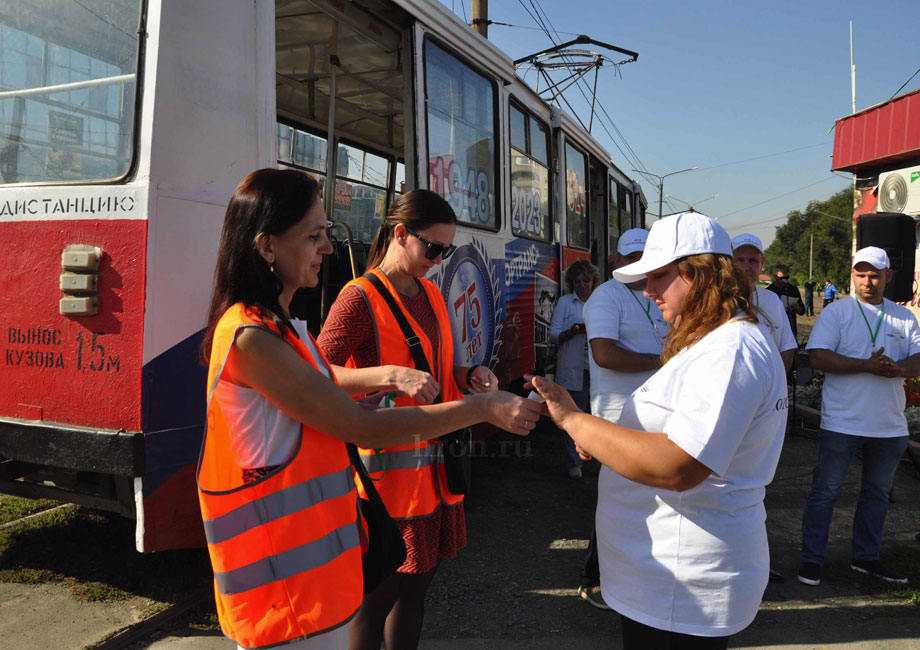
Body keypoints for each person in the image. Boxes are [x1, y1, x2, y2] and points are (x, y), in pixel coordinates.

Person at [199, 171, 541, 650]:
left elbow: (326, 395)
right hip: (285, 592)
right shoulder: (253, 337)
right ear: (267, 246)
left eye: (327, 232)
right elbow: (360, 426)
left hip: (313, 576)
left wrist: (459, 381)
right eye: (314, 235)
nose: (328, 248)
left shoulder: (284, 329)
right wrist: (480, 407)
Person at [529, 212, 787, 649]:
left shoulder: (729, 351)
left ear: (702, 273)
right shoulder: (714, 341)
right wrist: (603, 440)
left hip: (683, 585)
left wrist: (573, 419)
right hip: (668, 579)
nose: (648, 290)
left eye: (660, 276)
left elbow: (678, 466)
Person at [317, 189, 502, 650]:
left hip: (435, 474)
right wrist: (389, 375)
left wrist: (471, 375)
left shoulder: (434, 295)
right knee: (378, 597)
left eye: (446, 251)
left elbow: (440, 372)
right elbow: (315, 374)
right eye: (432, 248)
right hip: (387, 484)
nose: (438, 260)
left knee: (416, 591)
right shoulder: (358, 298)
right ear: (400, 234)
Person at [799, 246, 920, 587]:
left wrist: (899, 368)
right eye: (861, 274)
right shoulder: (837, 313)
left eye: (875, 275)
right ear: (852, 275)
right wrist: (866, 366)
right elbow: (818, 357)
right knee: (825, 493)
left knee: (877, 496)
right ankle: (811, 561)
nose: (868, 282)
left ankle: (866, 558)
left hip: (889, 425)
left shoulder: (903, 316)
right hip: (843, 422)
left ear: (888, 277)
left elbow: (919, 358)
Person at [576, 228, 668, 609]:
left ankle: (635, 577)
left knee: (645, 503)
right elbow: (605, 355)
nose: (637, 267)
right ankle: (593, 578)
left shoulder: (657, 294)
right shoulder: (604, 298)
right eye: (631, 258)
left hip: (657, 412)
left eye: (644, 259)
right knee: (617, 503)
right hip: (617, 417)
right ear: (616, 261)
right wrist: (663, 363)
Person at [549, 259, 601, 479]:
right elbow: (553, 335)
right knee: (574, 416)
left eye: (586, 280)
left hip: (598, 368)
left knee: (598, 417)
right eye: (577, 281)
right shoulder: (565, 302)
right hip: (573, 368)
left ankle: (602, 461)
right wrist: (571, 332)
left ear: (593, 282)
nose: (582, 285)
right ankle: (574, 463)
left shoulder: (602, 302)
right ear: (572, 283)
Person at [732, 234, 797, 373]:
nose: (746, 267)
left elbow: (786, 347)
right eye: (740, 260)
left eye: (752, 261)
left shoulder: (773, 300)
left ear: (762, 263)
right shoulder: (716, 299)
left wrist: (778, 385)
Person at [766, 263, 805, 339]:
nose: (784, 280)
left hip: (790, 327)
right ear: (775, 276)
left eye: (787, 278)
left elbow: (802, 311)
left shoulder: (793, 289)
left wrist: (797, 308)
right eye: (782, 278)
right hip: (774, 328)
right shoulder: (769, 291)